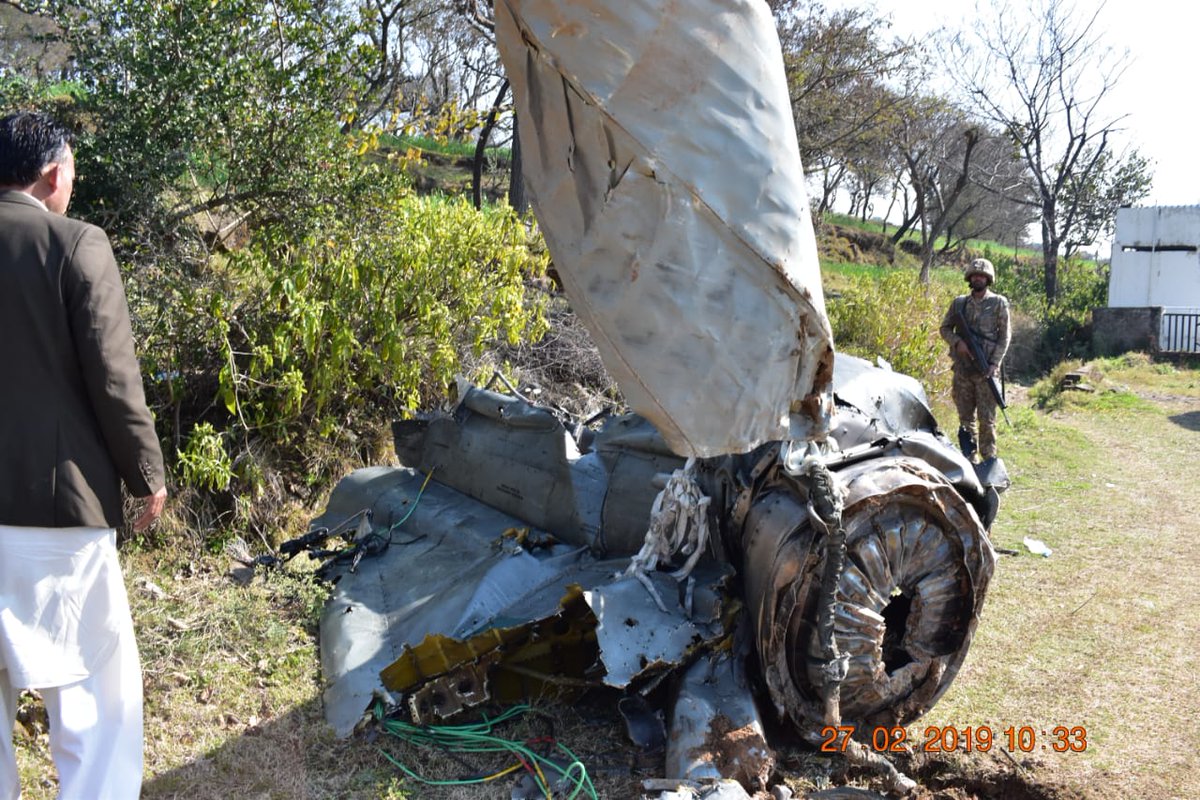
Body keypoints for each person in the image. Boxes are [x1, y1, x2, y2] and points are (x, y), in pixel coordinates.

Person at [0, 111, 166, 800]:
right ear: (50, 173)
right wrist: (146, 474)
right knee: (95, 699)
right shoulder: (75, 245)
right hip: (55, 509)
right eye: (72, 168)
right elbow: (114, 379)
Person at [939, 257, 1011, 462]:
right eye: (975, 275)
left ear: (989, 279)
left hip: (986, 371)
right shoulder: (959, 304)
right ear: (969, 278)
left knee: (987, 421)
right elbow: (944, 329)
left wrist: (994, 363)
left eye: (982, 276)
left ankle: (989, 461)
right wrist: (957, 342)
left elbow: (1005, 337)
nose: (978, 278)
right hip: (963, 371)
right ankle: (969, 459)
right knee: (965, 420)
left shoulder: (998, 303)